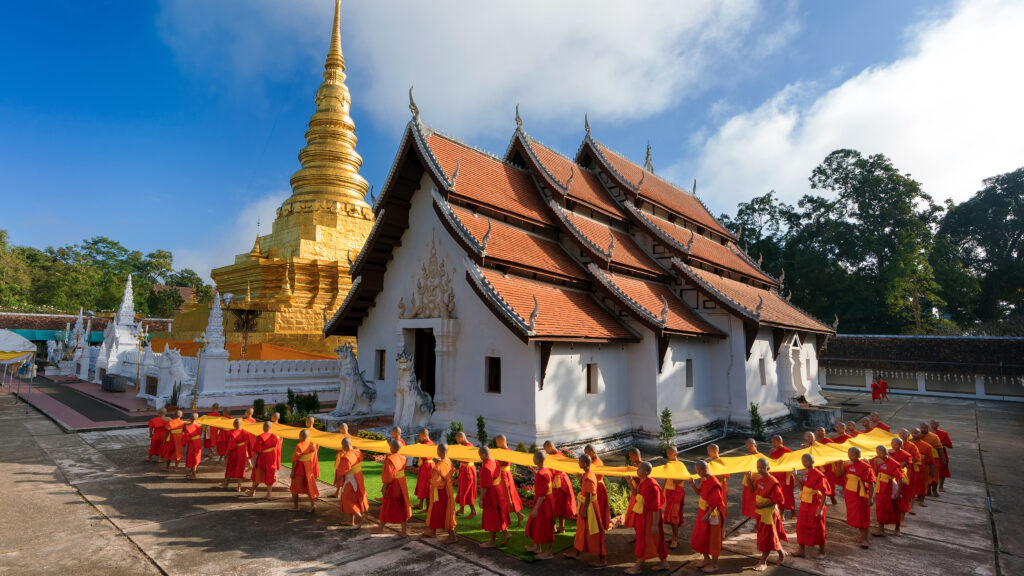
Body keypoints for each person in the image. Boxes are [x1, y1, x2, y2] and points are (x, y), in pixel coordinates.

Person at [626, 461, 670, 575]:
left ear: (646, 472)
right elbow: (636, 494)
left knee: (644, 540)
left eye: (639, 469)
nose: (637, 470)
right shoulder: (643, 481)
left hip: (650, 516)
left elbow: (656, 507)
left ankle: (638, 566)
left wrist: (655, 525)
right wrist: (630, 482)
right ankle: (664, 563)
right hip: (643, 514)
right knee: (654, 539)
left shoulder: (653, 485)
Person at [564, 454, 606, 566]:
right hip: (586, 505)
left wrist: (584, 511)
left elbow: (589, 496)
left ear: (585, 464)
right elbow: (586, 490)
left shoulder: (589, 476)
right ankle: (576, 552)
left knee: (593, 532)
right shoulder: (587, 475)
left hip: (590, 508)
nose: (578, 463)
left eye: (580, 462)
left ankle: (601, 559)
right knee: (581, 530)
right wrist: (580, 480)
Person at [752, 458, 787, 572]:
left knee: (767, 536)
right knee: (768, 535)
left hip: (769, 513)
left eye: (762, 467)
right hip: (762, 512)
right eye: (758, 467)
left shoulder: (773, 481)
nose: (759, 469)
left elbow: (779, 499)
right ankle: (781, 553)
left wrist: (763, 505)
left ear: (768, 468)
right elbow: (756, 491)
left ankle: (763, 561)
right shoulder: (759, 479)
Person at [690, 460, 725, 573]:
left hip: (712, 514)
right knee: (701, 536)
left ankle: (714, 565)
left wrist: (709, 513)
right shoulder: (704, 480)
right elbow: (699, 493)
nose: (698, 473)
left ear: (705, 470)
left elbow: (717, 500)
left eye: (699, 471)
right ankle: (706, 559)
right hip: (703, 511)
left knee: (713, 538)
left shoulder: (714, 482)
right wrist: (693, 485)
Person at [794, 453, 829, 559]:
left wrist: (820, 509)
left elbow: (824, 493)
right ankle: (801, 550)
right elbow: (802, 488)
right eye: (803, 461)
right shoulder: (804, 472)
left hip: (815, 503)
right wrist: (795, 475)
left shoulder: (819, 475)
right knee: (801, 525)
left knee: (818, 527)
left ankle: (822, 551)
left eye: (807, 461)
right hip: (805, 502)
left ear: (813, 462)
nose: (804, 463)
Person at [477, 446, 511, 548]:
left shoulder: (486, 468)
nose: (480, 457)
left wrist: (481, 499)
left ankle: (492, 541)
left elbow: (485, 486)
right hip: (498, 491)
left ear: (483, 455)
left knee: (492, 516)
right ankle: (506, 533)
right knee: (499, 513)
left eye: (480, 455)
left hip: (491, 494)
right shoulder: (494, 462)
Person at [843, 446, 876, 548]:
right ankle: (862, 536)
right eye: (849, 454)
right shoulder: (847, 464)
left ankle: (864, 539)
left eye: (853, 454)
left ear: (859, 455)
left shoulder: (866, 467)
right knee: (855, 517)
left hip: (861, 495)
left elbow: (871, 484)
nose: (851, 456)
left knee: (863, 517)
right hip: (850, 494)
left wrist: (870, 498)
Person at [378, 438, 412, 537]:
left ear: (392, 448)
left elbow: (389, 475)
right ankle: (404, 531)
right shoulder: (403, 458)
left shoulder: (390, 459)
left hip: (393, 484)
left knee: (386, 505)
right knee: (402, 506)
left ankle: (380, 528)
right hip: (402, 484)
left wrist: (384, 487)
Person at [424, 443, 457, 543]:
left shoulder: (439, 466)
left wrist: (431, 480)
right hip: (447, 490)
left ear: (439, 452)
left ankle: (452, 536)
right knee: (436, 511)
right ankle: (432, 531)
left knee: (443, 513)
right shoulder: (448, 461)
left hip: (441, 492)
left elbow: (437, 482)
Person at [525, 450, 555, 560]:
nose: (533, 459)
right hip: (543, 500)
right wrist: (533, 471)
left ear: (537, 460)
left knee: (546, 527)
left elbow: (542, 494)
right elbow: (540, 481)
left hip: (543, 502)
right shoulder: (545, 470)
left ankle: (548, 552)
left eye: (534, 457)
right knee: (537, 524)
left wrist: (536, 509)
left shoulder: (543, 473)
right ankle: (537, 547)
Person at [543, 441, 577, 533]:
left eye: (547, 450)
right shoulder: (556, 455)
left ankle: (560, 527)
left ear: (550, 447)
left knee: (558, 506)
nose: (546, 452)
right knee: (556, 506)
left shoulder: (558, 456)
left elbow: (553, 470)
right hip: (558, 482)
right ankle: (557, 527)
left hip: (559, 484)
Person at [336, 437, 368, 527]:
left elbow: (342, 472)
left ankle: (360, 517)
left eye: (342, 446)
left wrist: (338, 483)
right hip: (358, 478)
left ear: (345, 445)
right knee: (352, 499)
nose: (342, 447)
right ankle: (351, 521)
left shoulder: (346, 457)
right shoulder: (358, 452)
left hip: (350, 480)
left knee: (347, 500)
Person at [872, 445, 904, 537]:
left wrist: (899, 493)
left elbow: (900, 479)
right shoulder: (876, 461)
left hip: (891, 486)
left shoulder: (894, 464)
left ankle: (897, 529)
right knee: (880, 507)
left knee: (895, 507)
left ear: (886, 453)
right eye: (877, 453)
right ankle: (880, 529)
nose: (879, 455)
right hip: (880, 486)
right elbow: (875, 474)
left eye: (881, 453)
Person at [494, 434, 525, 525]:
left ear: (501, 442)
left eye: (497, 442)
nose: (496, 444)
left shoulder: (506, 452)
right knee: (509, 496)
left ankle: (504, 519)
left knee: (506, 497)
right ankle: (519, 515)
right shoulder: (504, 451)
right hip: (505, 475)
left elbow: (500, 463)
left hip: (504, 476)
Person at [289, 428, 319, 513]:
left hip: (300, 468)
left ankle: (295, 506)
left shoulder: (299, 445)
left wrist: (292, 471)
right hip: (308, 467)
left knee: (294, 487)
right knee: (309, 486)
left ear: (301, 436)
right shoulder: (311, 444)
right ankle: (313, 504)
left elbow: (295, 460)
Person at [662, 446, 687, 549]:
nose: (668, 456)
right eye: (667, 453)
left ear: (676, 454)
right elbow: (666, 479)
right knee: (670, 516)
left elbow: (678, 481)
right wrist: (662, 491)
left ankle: (675, 539)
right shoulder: (669, 465)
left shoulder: (680, 465)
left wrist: (671, 470)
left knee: (674, 516)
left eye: (670, 454)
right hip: (668, 491)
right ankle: (673, 536)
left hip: (677, 492)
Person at [247, 421, 279, 499]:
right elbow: (276, 448)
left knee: (257, 475)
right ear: (270, 428)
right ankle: (269, 494)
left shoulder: (260, 437)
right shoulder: (274, 436)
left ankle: (252, 491)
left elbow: (256, 451)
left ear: (263, 427)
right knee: (270, 475)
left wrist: (254, 462)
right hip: (271, 458)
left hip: (262, 458)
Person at [583, 444, 610, 532]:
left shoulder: (596, 464)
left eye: (587, 453)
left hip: (598, 487)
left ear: (591, 452)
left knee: (598, 508)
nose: (586, 456)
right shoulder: (596, 461)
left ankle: (599, 527)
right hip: (597, 485)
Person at [219, 419, 250, 492]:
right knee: (241, 468)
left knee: (230, 466)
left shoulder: (233, 434)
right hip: (242, 451)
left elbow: (230, 446)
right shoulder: (245, 432)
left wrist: (226, 454)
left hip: (235, 452)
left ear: (234, 425)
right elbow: (247, 442)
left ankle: (226, 483)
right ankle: (239, 487)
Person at [768, 435, 795, 519]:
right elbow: (772, 463)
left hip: (786, 476)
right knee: (779, 494)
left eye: (775, 442)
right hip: (776, 476)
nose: (773, 444)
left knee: (788, 495)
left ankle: (792, 512)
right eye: (772, 442)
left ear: (781, 442)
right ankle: (781, 513)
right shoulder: (772, 452)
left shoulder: (788, 452)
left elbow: (792, 464)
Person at [889, 438, 914, 522]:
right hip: (889, 478)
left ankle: (901, 519)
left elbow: (900, 466)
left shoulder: (906, 455)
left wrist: (890, 457)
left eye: (896, 444)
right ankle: (892, 518)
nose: (894, 445)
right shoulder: (888, 452)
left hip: (901, 478)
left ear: (901, 445)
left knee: (902, 498)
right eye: (892, 443)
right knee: (890, 499)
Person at [896, 429, 921, 514]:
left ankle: (911, 507)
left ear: (908, 435)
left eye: (904, 433)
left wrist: (906, 460)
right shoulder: (894, 444)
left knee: (910, 488)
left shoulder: (911, 446)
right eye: (900, 433)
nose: (902, 435)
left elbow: (916, 458)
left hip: (909, 470)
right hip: (896, 470)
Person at [454, 431, 477, 519]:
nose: (457, 441)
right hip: (465, 469)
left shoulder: (468, 446)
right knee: (462, 489)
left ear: (462, 438)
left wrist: (457, 458)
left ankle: (473, 511)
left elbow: (467, 459)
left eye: (457, 439)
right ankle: (462, 509)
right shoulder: (466, 445)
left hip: (468, 471)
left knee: (466, 491)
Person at [918, 422, 944, 497]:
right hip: (922, 459)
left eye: (925, 428)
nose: (923, 429)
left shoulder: (934, 437)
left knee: (934, 475)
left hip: (934, 458)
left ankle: (934, 490)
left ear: (928, 428)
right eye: (921, 428)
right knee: (925, 476)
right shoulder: (916, 436)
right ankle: (928, 491)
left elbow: (940, 448)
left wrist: (943, 459)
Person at [741, 438, 763, 527]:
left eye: (751, 445)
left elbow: (765, 471)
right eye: (747, 446)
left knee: (756, 504)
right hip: (747, 483)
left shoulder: (761, 457)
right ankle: (757, 523)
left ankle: (758, 524)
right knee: (750, 505)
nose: (748, 447)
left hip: (756, 484)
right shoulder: (748, 457)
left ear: (755, 445)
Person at [814, 428, 838, 505]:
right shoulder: (814, 443)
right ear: (815, 432)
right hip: (818, 465)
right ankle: (822, 501)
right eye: (818, 430)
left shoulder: (829, 442)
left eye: (822, 431)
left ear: (825, 433)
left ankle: (832, 498)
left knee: (830, 483)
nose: (820, 432)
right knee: (820, 483)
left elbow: (836, 452)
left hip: (829, 466)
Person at [910, 428, 934, 506]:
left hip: (922, 467)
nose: (914, 434)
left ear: (920, 434)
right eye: (912, 433)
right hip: (910, 466)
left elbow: (931, 460)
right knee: (911, 483)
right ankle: (910, 497)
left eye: (916, 433)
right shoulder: (907, 444)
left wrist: (932, 471)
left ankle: (921, 499)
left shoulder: (927, 446)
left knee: (922, 484)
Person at [414, 428, 435, 510]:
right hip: (426, 465)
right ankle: (421, 504)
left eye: (420, 435)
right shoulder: (431, 443)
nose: (419, 437)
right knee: (422, 484)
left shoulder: (427, 444)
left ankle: (428, 507)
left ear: (425, 435)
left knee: (426, 485)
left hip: (427, 466)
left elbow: (425, 456)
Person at [624, 447, 642, 540]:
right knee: (634, 517)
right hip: (634, 494)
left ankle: (640, 537)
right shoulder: (635, 466)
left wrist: (632, 480)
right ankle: (638, 536)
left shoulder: (642, 467)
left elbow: (642, 483)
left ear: (636, 456)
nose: (630, 459)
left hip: (639, 496)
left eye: (631, 457)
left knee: (639, 518)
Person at [930, 420, 953, 491]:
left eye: (935, 424)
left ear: (938, 425)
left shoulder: (944, 433)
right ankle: (929, 487)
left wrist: (942, 444)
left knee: (942, 470)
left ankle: (941, 486)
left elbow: (949, 445)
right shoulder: (926, 433)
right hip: (930, 453)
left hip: (940, 453)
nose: (933, 425)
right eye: (932, 423)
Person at [183, 412, 203, 479]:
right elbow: (200, 434)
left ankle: (194, 475)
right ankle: (193, 472)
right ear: (197, 418)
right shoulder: (200, 425)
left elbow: (186, 438)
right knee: (196, 456)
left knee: (192, 456)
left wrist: (183, 444)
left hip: (192, 443)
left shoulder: (188, 427)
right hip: (198, 441)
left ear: (190, 418)